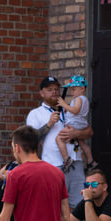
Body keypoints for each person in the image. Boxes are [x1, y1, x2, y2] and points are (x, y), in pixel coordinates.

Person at [26, 76, 91, 208]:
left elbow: (89, 132)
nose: (54, 92)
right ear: (42, 93)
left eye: (56, 89)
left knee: (77, 206)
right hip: (53, 164)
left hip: (75, 162)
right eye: (49, 89)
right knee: (55, 206)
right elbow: (30, 140)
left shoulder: (68, 109)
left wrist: (76, 133)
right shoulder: (36, 114)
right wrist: (49, 124)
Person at [55, 75, 96, 171]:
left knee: (59, 139)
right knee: (82, 142)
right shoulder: (83, 99)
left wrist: (64, 104)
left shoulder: (79, 99)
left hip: (74, 123)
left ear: (82, 88)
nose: (71, 92)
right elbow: (76, 110)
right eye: (70, 89)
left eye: (74, 89)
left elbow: (76, 110)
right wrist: (67, 107)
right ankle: (91, 161)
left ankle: (66, 159)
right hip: (80, 122)